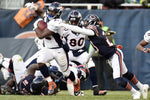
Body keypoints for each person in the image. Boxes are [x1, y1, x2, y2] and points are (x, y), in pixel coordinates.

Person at [51, 14, 149, 99]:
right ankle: (142, 87)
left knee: (118, 79)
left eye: (87, 22)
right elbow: (94, 46)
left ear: (92, 23)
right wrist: (88, 57)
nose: (85, 24)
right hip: (111, 55)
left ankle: (135, 93)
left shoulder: (93, 30)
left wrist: (63, 24)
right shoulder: (95, 31)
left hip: (114, 54)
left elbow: (79, 30)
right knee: (126, 73)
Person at [26, 1, 80, 95]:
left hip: (59, 49)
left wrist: (35, 27)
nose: (50, 13)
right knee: (40, 62)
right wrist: (33, 7)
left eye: (53, 12)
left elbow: (41, 35)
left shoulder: (56, 22)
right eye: (50, 11)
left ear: (58, 13)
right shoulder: (49, 16)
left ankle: (76, 82)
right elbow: (42, 13)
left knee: (66, 73)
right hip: (48, 48)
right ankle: (50, 82)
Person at [62, 10, 107, 95]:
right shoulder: (65, 29)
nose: (73, 23)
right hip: (69, 52)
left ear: (79, 20)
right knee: (64, 69)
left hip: (81, 52)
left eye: (75, 21)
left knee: (91, 65)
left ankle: (96, 89)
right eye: (72, 21)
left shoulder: (85, 26)